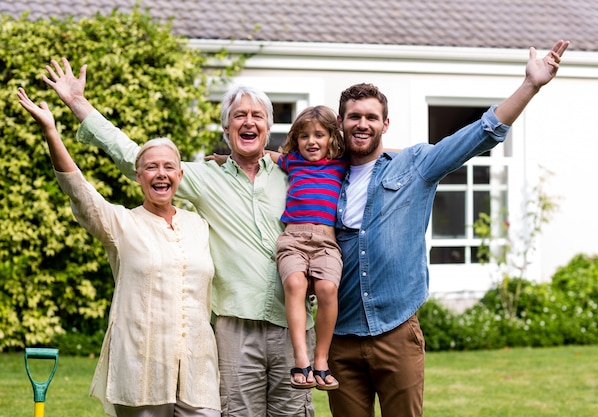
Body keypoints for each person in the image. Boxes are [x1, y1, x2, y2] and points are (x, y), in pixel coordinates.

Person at [41, 58, 315, 416]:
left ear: (268, 126)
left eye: (257, 116)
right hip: (235, 328)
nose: (248, 121)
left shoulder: (294, 173)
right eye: (239, 115)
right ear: (226, 128)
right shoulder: (201, 177)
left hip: (292, 324)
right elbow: (135, 156)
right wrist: (79, 105)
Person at [327, 40, 570, 417]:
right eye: (354, 116)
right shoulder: (323, 175)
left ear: (385, 124)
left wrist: (530, 86)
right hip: (340, 337)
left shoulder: (415, 165)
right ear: (341, 123)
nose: (362, 124)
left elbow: (482, 133)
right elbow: (280, 159)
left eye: (371, 117)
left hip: (396, 332)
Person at [16, 87, 220, 417]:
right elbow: (78, 190)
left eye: (169, 167)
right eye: (151, 167)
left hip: (198, 369)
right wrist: (51, 132)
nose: (161, 174)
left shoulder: (200, 226)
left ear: (180, 175)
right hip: (141, 366)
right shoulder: (121, 223)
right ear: (138, 176)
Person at [268, 106, 347, 390]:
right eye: (304, 136)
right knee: (294, 283)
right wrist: (223, 158)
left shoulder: (341, 164)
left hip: (326, 241)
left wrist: (414, 153)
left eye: (319, 135)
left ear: (331, 139)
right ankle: (301, 360)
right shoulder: (292, 162)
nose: (311, 141)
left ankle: (322, 359)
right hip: (293, 239)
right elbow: (264, 155)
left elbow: (378, 153)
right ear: (296, 140)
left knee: (327, 289)